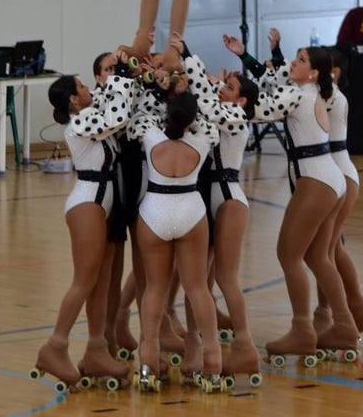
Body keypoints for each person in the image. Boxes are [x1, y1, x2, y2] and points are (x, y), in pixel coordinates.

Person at [254, 47, 360, 363]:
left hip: (317, 179)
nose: (293, 63)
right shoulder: (309, 91)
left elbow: (261, 110)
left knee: (288, 253)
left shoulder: (300, 94)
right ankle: (343, 324)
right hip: (327, 177)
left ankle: (302, 330)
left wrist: (222, 96)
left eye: (300, 60)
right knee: (316, 255)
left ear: (313, 72)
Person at [33, 72, 134, 391]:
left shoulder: (89, 113)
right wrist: (121, 77)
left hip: (102, 202)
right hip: (87, 203)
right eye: (81, 86)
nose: (89, 88)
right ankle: (54, 347)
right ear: (74, 100)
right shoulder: (80, 123)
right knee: (84, 281)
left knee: (101, 281)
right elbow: (118, 115)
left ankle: (96, 350)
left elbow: (109, 102)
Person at [175, 35, 262, 382]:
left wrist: (187, 56)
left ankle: (245, 348)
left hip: (228, 201)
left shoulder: (234, 114)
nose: (222, 87)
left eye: (229, 85)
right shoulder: (220, 110)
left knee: (225, 279)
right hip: (206, 199)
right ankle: (194, 346)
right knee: (199, 282)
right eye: (224, 83)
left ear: (241, 100)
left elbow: (207, 106)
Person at [135, 90, 223, 393]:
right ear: (193, 118)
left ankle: (147, 362)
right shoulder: (204, 139)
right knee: (197, 287)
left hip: (154, 212)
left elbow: (141, 109)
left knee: (155, 287)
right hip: (190, 211)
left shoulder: (149, 136)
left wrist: (160, 89)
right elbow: (210, 114)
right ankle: (212, 361)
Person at [313, 47, 363, 348]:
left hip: (335, 175)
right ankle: (356, 311)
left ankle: (333, 316)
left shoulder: (328, 97)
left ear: (335, 71)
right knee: (331, 249)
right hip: (332, 173)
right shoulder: (324, 95)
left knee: (324, 251)